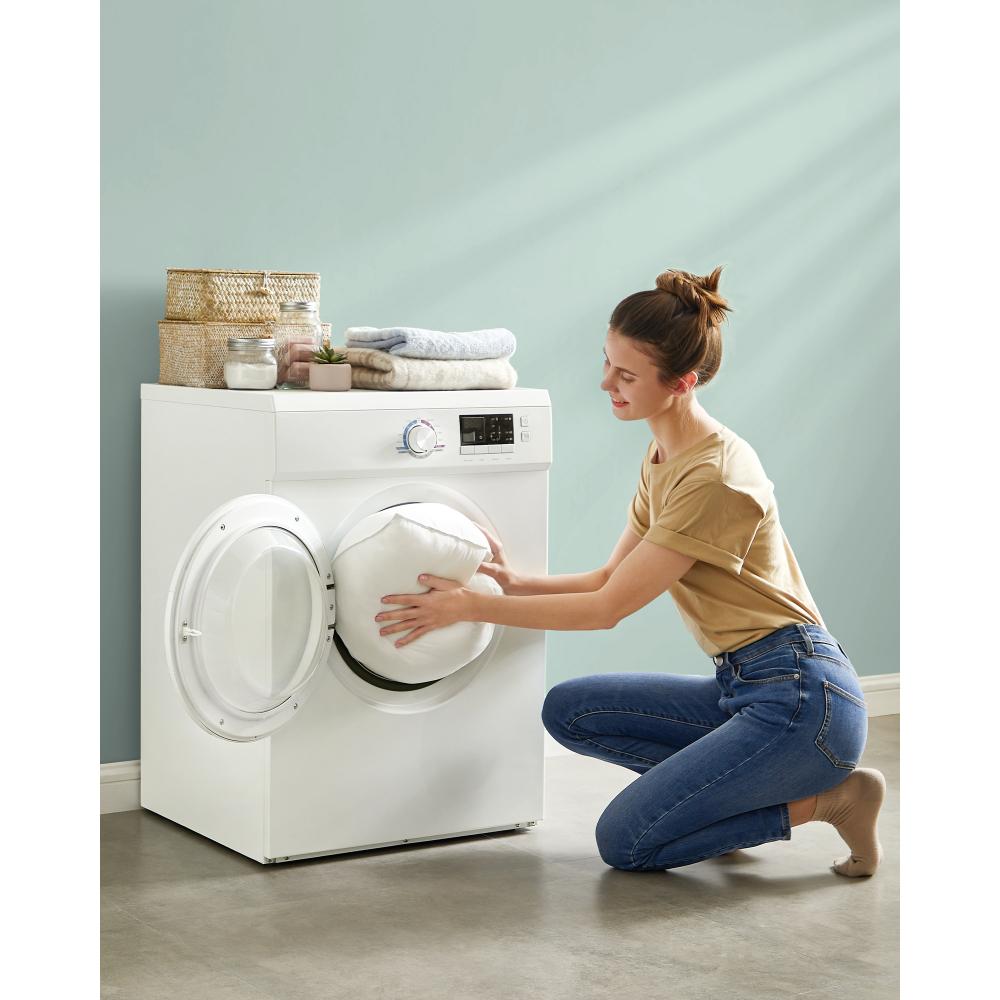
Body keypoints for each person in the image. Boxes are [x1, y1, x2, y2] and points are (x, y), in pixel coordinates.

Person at [373, 266, 887, 877]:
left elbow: (605, 610)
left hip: (803, 702)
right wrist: (513, 582)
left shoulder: (715, 476)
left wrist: (469, 606)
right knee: (571, 709)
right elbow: (607, 577)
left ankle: (833, 800)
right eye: (608, 363)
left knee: (626, 843)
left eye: (626, 375)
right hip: (743, 687)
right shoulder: (664, 455)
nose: (605, 383)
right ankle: (714, 807)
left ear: (682, 383)